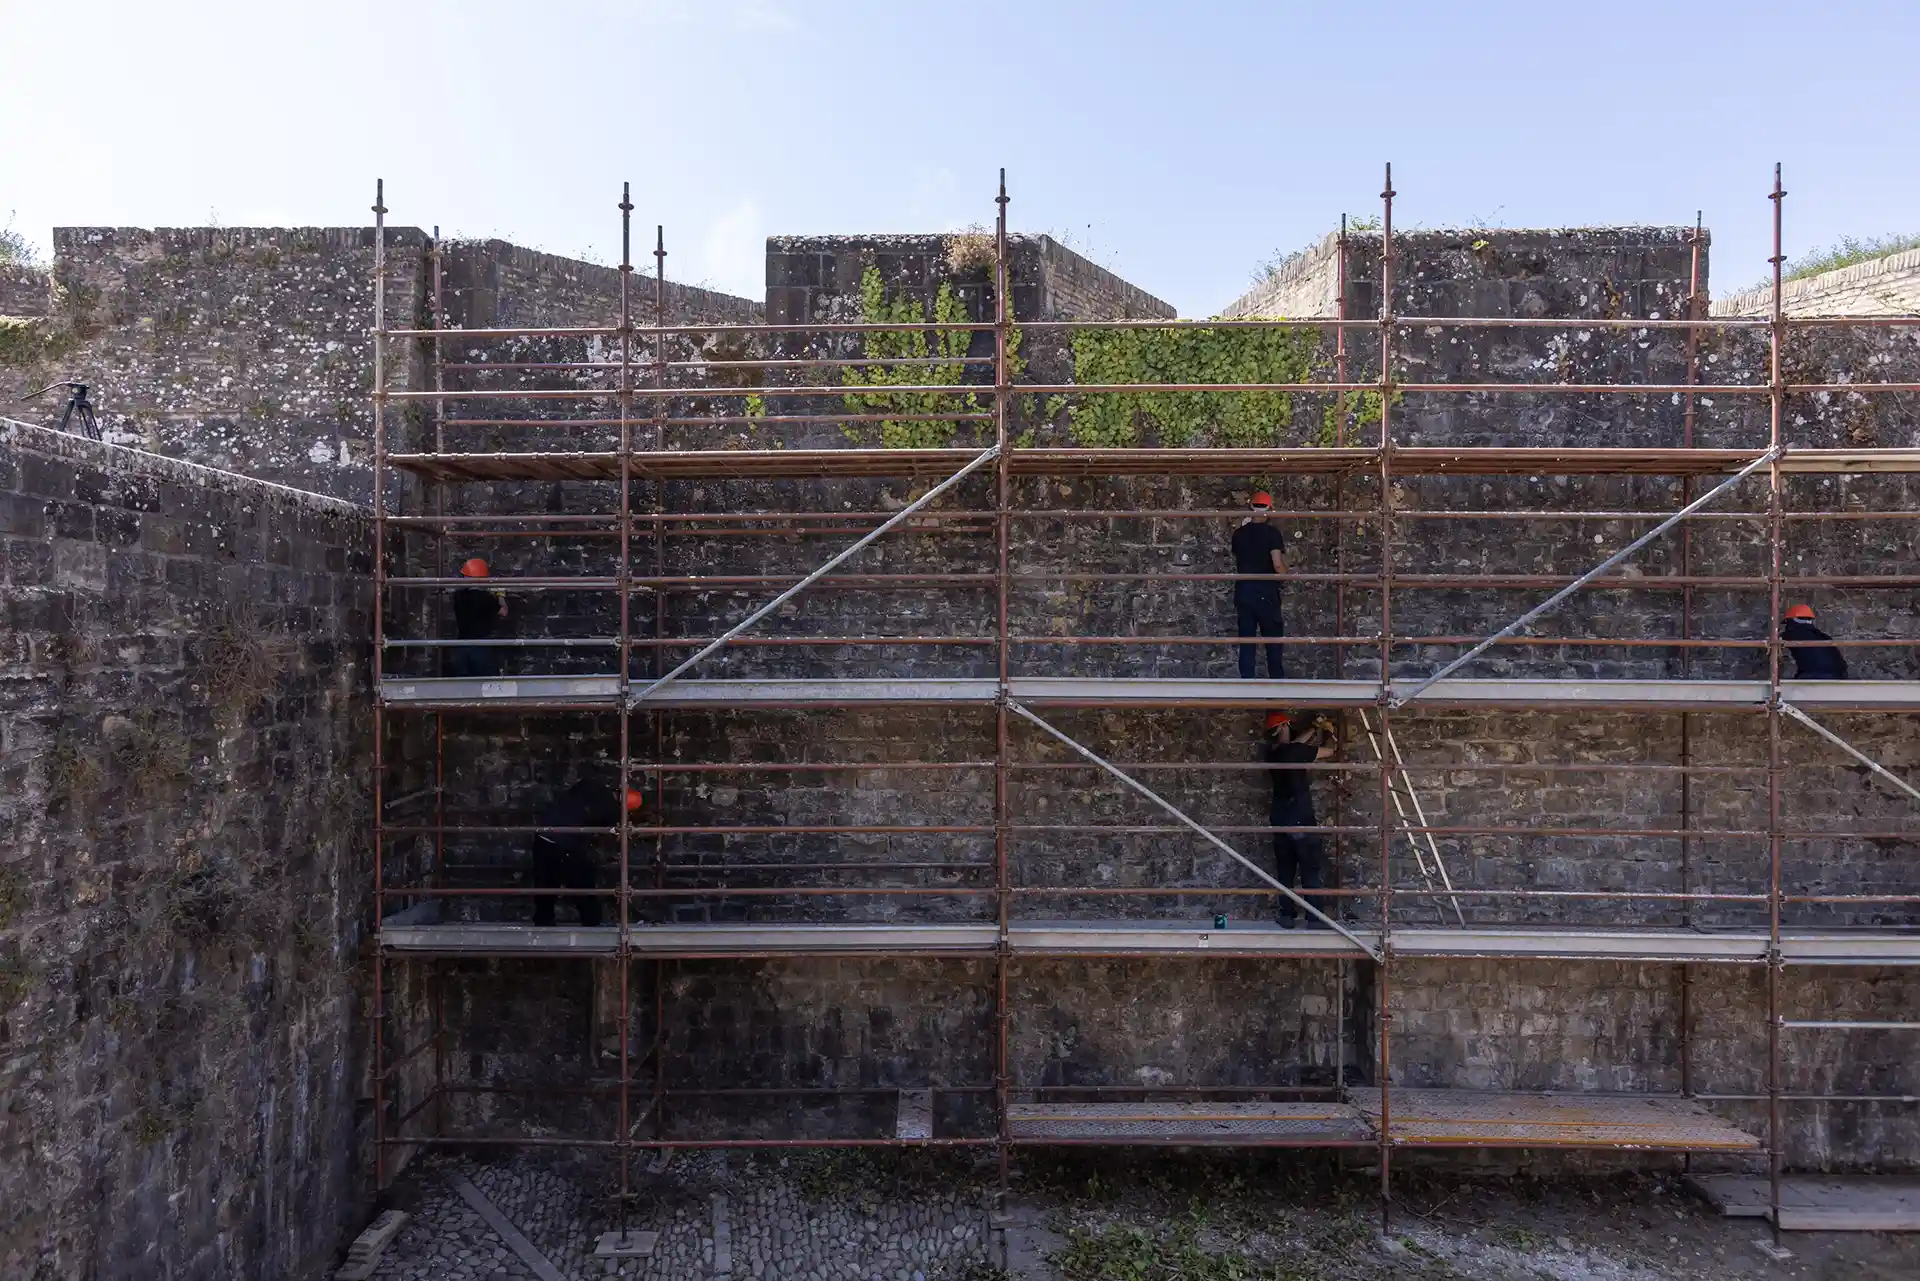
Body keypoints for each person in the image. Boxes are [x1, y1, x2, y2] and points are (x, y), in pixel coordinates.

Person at [531, 782, 643, 927]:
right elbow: (609, 830)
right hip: (566, 842)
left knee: (546, 883)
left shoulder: (592, 787)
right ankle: (592, 922)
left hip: (543, 836)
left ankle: (543, 921)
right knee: (582, 882)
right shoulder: (610, 810)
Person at [1264, 710, 1335, 928]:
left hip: (1280, 819)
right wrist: (1329, 731)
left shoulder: (1272, 752)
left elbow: (1295, 746)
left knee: (1285, 871)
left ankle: (1287, 915)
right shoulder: (1295, 751)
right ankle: (1314, 919)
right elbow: (1330, 751)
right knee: (1309, 869)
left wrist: (1313, 728)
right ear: (1284, 727)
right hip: (1300, 818)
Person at [1230, 491, 1288, 679]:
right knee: (1273, 644)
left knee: (1247, 643)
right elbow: (1277, 563)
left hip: (1244, 592)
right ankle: (1277, 690)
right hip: (1267, 593)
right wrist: (1285, 576)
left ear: (1250, 507)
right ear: (1270, 508)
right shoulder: (1272, 534)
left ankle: (1247, 691)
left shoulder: (1238, 534)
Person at [448, 557, 508, 678]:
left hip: (461, 646)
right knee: (484, 680)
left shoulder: (457, 596)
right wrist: (500, 595)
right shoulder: (486, 598)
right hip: (481, 647)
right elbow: (504, 612)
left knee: (463, 682)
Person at [1781, 604, 1847, 680]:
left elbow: (1775, 641)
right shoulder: (1823, 637)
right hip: (1838, 678)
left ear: (1790, 621)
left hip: (1814, 677)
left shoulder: (1792, 634)